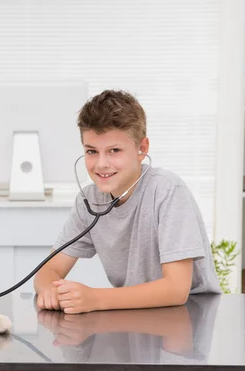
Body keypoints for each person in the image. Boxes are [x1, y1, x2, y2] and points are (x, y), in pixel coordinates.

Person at [33, 89, 221, 314]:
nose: (101, 163)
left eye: (114, 151)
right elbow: (48, 270)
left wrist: (95, 298)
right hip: (134, 314)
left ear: (142, 149)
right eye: (92, 151)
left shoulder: (167, 190)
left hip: (189, 314)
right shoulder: (90, 200)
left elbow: (176, 289)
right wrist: (50, 290)